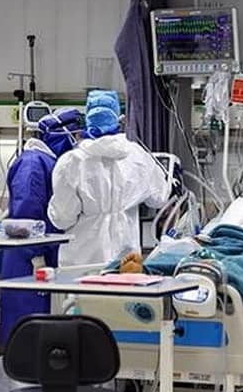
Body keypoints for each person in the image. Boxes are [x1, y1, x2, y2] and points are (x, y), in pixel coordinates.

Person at [48, 90, 170, 266]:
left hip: (82, 260)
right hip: (126, 259)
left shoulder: (71, 162)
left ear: (87, 119)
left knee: (84, 285)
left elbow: (63, 218)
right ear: (118, 119)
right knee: (121, 284)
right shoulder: (138, 156)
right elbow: (159, 199)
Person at [0, 108, 82, 343]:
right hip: (28, 261)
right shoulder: (32, 163)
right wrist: (36, 257)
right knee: (29, 327)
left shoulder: (50, 162)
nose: (77, 142)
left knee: (46, 330)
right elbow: (26, 214)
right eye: (75, 136)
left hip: (45, 255)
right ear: (60, 135)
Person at [120, 191, 243, 273]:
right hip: (220, 251)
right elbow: (214, 243)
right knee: (186, 255)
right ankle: (144, 270)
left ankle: (209, 273)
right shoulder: (234, 231)